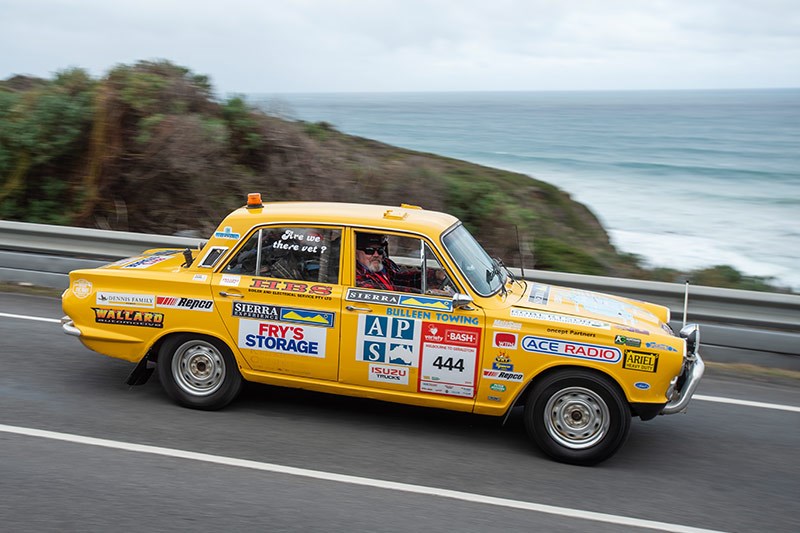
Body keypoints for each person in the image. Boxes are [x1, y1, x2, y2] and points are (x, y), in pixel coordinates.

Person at [355, 233, 420, 292]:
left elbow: (401, 279)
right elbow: (381, 296)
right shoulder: (356, 276)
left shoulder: (386, 264)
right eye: (369, 251)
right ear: (356, 253)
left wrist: (426, 276)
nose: (376, 255)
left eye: (380, 250)